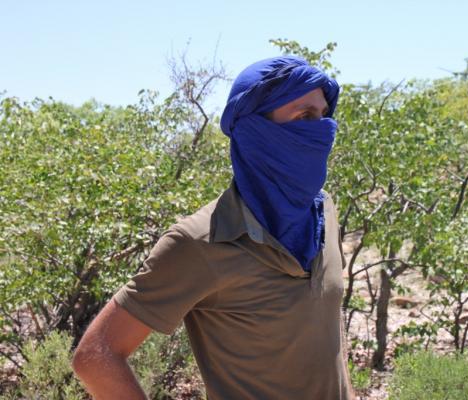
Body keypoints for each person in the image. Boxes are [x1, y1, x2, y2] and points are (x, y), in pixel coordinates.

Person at [72, 55, 355, 400]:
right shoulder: (201, 241)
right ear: (256, 131)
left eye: (324, 116)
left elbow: (327, 329)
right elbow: (96, 356)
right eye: (305, 117)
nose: (322, 132)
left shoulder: (324, 212)